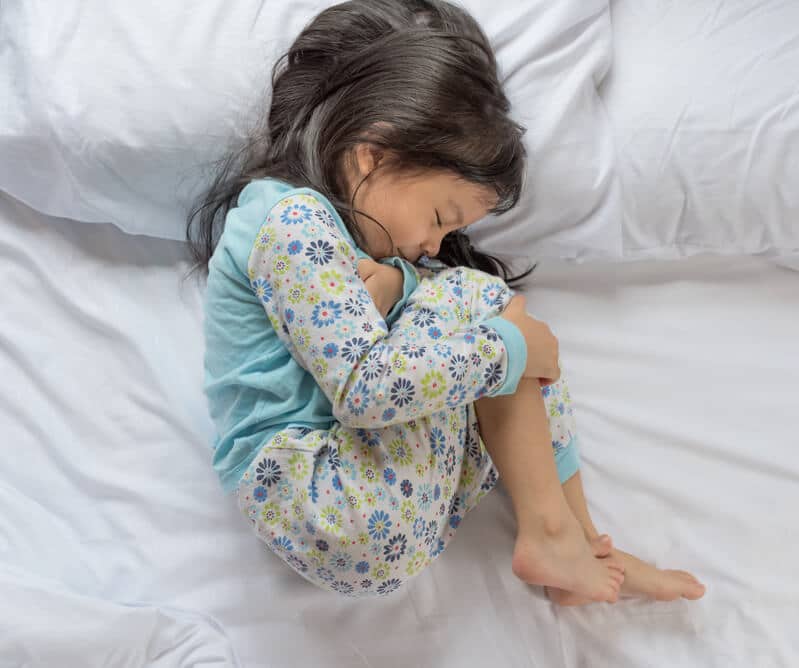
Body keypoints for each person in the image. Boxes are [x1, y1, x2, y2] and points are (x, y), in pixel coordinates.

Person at [188, 0, 705, 604]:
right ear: (371, 155)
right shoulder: (290, 221)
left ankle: (581, 541)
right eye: (439, 217)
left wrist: (408, 289)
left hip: (372, 513)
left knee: (493, 317)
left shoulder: (333, 240)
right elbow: (363, 388)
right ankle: (551, 533)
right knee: (483, 303)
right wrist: (503, 347)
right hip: (321, 497)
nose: (433, 244)